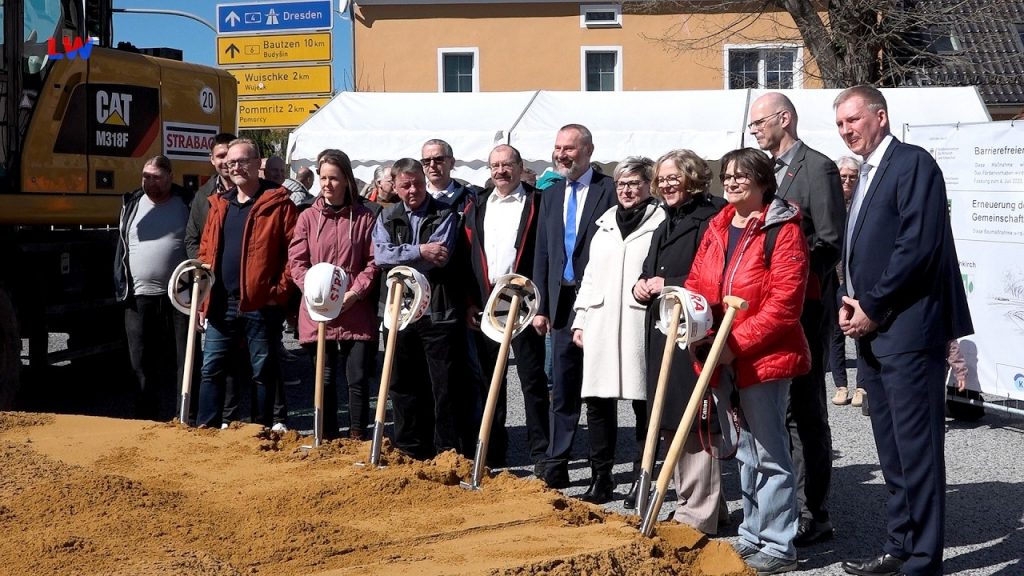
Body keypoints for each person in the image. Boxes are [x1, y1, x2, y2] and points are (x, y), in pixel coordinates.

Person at [835, 84, 972, 576]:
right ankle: (899, 548)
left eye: (853, 120)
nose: (847, 131)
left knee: (918, 452)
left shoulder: (913, 164)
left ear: (881, 116)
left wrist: (871, 304)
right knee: (891, 452)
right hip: (873, 332)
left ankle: (923, 562)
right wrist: (848, 304)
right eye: (840, 124)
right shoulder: (866, 175)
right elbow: (858, 250)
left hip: (909, 332)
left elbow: (917, 246)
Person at [686, 148, 810, 575]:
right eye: (727, 176)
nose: (732, 182)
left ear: (762, 182)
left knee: (770, 450)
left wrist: (734, 344)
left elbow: (784, 305)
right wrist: (693, 322)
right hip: (721, 357)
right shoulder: (719, 226)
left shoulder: (782, 230)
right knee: (743, 450)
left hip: (763, 358)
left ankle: (780, 544)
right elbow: (696, 283)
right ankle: (753, 533)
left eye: (742, 176)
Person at [748, 91, 845, 547]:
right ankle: (780, 504)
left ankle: (814, 512)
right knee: (774, 408)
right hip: (766, 311)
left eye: (759, 123)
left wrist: (790, 275)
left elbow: (829, 242)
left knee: (805, 411)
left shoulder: (819, 167)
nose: (754, 131)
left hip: (804, 308)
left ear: (784, 119)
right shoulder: (763, 174)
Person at [633, 149, 726, 528]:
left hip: (694, 333)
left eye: (674, 177)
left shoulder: (711, 219)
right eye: (662, 179)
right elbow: (650, 269)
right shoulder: (663, 223)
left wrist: (667, 284)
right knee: (670, 417)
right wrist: (641, 284)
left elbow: (713, 277)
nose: (666, 185)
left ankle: (698, 511)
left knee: (696, 419)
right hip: (665, 332)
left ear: (693, 177)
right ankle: (698, 503)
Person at [570, 156, 664, 504]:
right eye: (621, 184)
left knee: (643, 402)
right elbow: (591, 275)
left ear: (648, 186)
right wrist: (580, 319)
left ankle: (643, 478)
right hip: (601, 320)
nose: (626, 190)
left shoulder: (660, 221)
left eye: (634, 183)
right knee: (597, 401)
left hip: (640, 322)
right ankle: (601, 477)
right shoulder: (605, 222)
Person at [531, 123, 617, 488]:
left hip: (598, 302)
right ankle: (558, 461)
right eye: (558, 148)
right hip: (562, 302)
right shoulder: (550, 195)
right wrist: (541, 305)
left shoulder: (610, 189)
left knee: (599, 391)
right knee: (562, 389)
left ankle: (602, 472)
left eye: (569, 148)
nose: (562, 154)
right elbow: (543, 252)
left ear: (589, 150)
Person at [195, 138, 298, 429]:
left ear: (257, 164)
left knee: (262, 371)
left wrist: (277, 293)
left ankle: (260, 430)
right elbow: (206, 251)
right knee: (211, 369)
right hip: (219, 303)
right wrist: (203, 298)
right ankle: (206, 430)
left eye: (242, 161)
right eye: (230, 162)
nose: (235, 167)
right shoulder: (219, 205)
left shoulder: (278, 203)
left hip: (259, 304)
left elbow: (295, 254)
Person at [372, 158, 466, 459]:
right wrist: (419, 250)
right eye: (406, 185)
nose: (413, 189)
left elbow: (439, 257)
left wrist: (412, 256)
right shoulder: (386, 217)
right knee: (402, 382)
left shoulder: (444, 214)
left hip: (437, 311)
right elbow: (382, 257)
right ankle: (410, 447)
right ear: (395, 187)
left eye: (418, 183)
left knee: (443, 386)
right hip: (399, 313)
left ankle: (445, 450)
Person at [463, 144, 550, 469]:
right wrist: (472, 301)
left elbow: (545, 254)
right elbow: (471, 257)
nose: (501, 171)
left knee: (532, 380)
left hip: (526, 300)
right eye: (495, 165)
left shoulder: (538, 202)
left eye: (507, 164)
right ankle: (492, 451)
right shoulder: (479, 205)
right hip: (489, 301)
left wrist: (544, 308)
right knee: (490, 381)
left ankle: (541, 454)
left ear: (519, 166)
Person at [288, 149, 379, 440]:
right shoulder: (307, 218)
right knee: (323, 379)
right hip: (318, 310)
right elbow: (296, 261)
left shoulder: (365, 217)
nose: (326, 184)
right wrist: (315, 291)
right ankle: (324, 436)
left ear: (346, 180)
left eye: (333, 178)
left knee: (357, 379)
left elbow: (373, 261)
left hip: (355, 307)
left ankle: (356, 436)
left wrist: (354, 293)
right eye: (322, 177)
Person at [114, 155, 195, 421]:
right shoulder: (132, 203)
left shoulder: (187, 202)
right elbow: (122, 246)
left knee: (183, 360)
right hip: (138, 297)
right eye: (145, 176)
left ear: (170, 176)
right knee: (140, 361)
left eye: (156, 177)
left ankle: (184, 416)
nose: (150, 182)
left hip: (179, 297)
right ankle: (146, 418)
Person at [830, 156, 861, 407]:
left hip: (857, 276)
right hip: (834, 276)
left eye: (852, 176)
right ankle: (841, 384)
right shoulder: (830, 204)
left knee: (860, 332)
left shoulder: (863, 201)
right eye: (843, 177)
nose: (848, 181)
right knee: (835, 333)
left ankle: (862, 385)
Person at [421, 139, 477, 214]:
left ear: (452, 163)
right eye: (427, 161)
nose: (432, 165)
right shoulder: (414, 197)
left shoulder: (471, 198)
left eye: (438, 159)